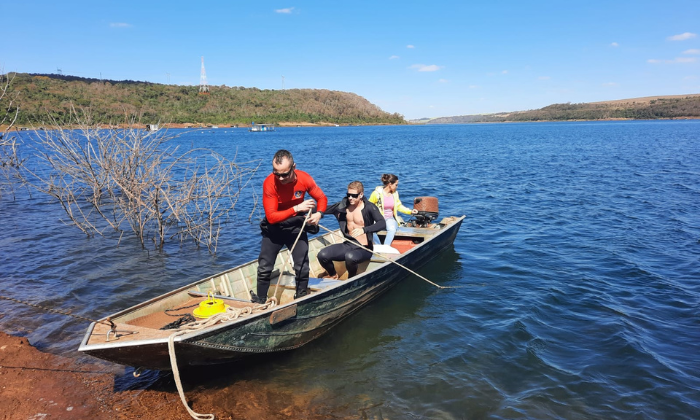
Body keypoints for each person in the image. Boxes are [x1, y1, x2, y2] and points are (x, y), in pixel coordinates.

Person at [253, 149, 327, 303]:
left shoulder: (304, 179)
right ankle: (260, 301)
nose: (280, 178)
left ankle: (300, 297)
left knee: (302, 266)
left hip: (295, 228)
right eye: (276, 173)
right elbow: (272, 217)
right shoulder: (269, 183)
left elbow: (321, 198)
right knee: (265, 267)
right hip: (274, 229)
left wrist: (319, 214)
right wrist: (297, 208)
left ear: (294, 166)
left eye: (284, 174)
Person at [318, 181, 386, 279]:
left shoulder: (369, 207)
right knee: (322, 255)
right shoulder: (342, 207)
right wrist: (304, 210)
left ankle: (351, 278)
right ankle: (333, 275)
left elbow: (382, 223)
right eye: (348, 195)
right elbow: (322, 209)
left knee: (350, 257)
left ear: (361, 194)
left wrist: (364, 230)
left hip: (364, 248)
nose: (350, 198)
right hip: (349, 244)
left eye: (354, 195)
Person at [368, 173, 417, 246]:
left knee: (392, 229)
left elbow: (399, 206)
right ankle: (378, 246)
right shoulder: (376, 194)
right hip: (378, 219)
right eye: (396, 185)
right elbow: (369, 206)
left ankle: (386, 247)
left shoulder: (395, 194)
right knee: (370, 230)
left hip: (389, 218)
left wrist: (410, 211)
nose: (397, 187)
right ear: (390, 184)